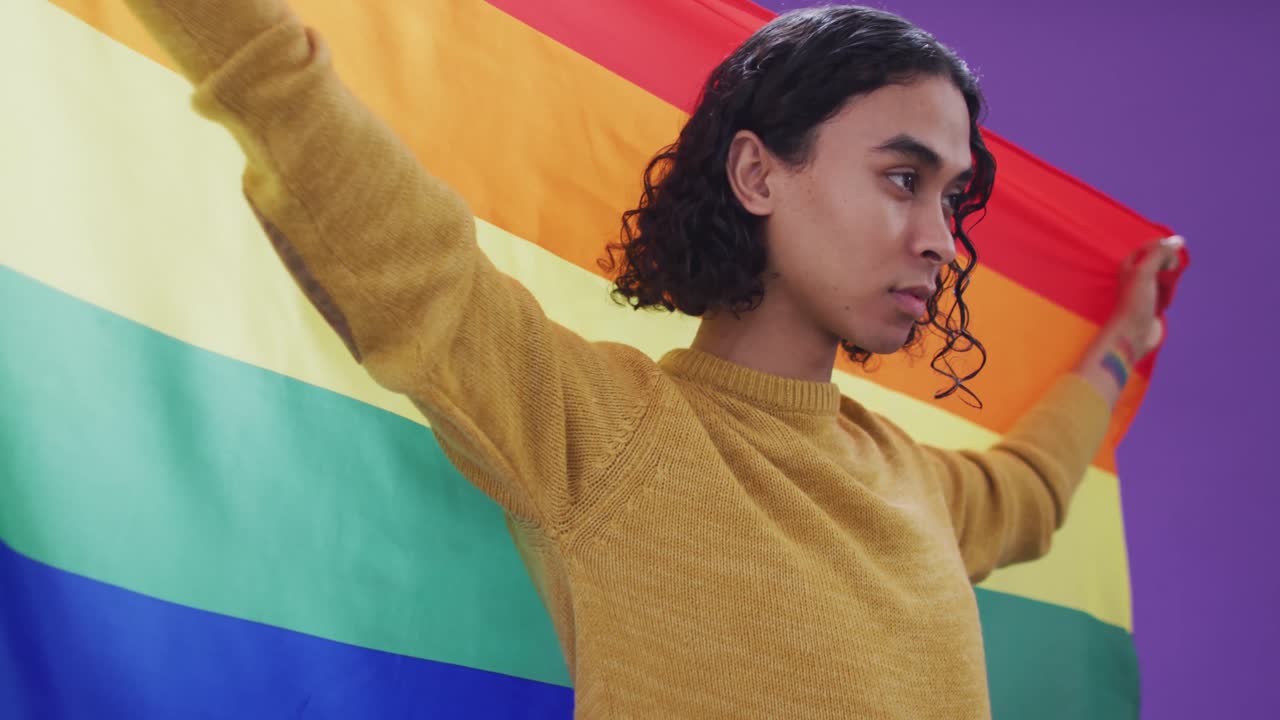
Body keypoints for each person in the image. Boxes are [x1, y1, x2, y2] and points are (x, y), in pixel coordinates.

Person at [122, 1, 1182, 717]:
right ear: (758, 176)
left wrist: (1119, 347)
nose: (941, 240)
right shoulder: (606, 436)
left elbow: (1033, 491)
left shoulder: (914, 484)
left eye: (949, 198)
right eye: (903, 178)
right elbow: (386, 232)